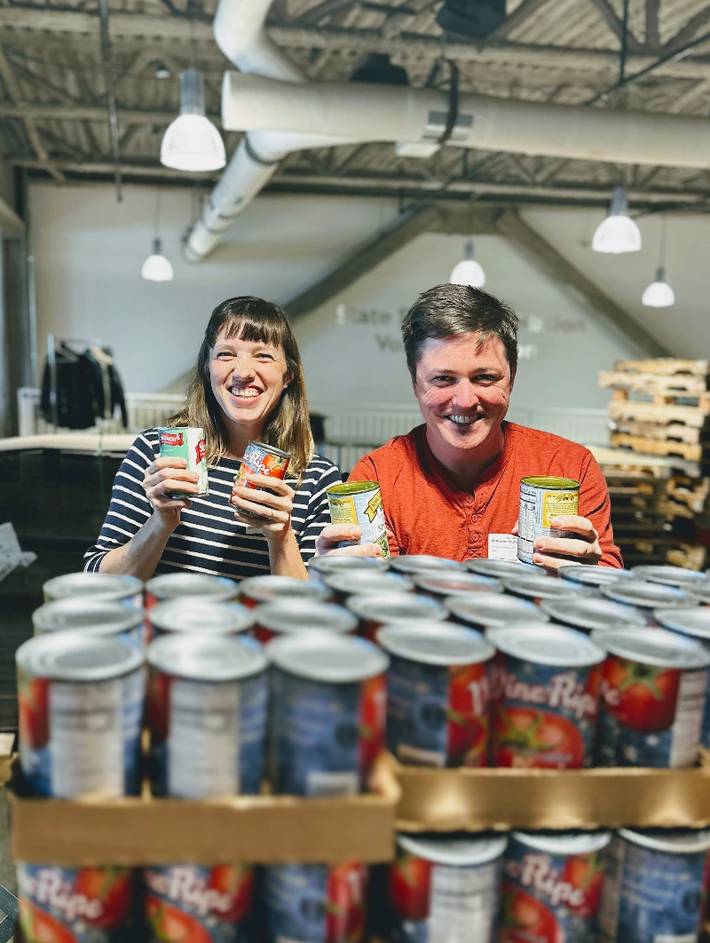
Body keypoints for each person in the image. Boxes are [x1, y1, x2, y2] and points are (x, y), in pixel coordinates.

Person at [317, 284, 622, 571]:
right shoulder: (378, 478)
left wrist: (589, 576)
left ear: (512, 377)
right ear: (414, 382)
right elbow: (373, 601)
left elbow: (608, 592)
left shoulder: (570, 467)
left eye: (485, 378)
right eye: (443, 379)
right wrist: (337, 573)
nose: (464, 401)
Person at [85, 296, 342, 581]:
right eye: (226, 354)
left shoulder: (317, 478)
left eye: (263, 356)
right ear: (207, 368)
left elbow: (312, 612)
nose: (243, 372)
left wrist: (280, 536)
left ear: (288, 376)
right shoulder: (157, 454)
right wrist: (160, 522)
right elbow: (99, 579)